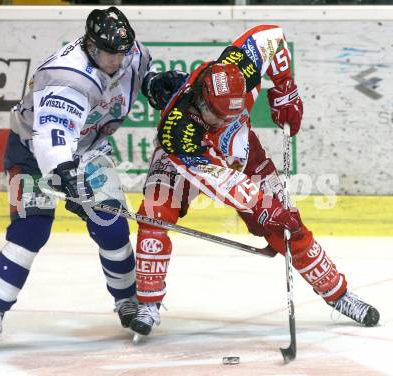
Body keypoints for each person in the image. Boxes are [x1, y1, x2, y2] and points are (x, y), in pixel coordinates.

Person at [129, 25, 380, 336]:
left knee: (287, 226)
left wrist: (284, 89)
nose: (218, 121)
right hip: (186, 162)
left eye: (226, 116)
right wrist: (260, 206)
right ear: (200, 98)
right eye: (213, 114)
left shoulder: (239, 64)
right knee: (154, 214)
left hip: (242, 150)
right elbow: (218, 180)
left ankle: (338, 294)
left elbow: (270, 37)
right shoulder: (178, 129)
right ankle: (148, 304)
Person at [0, 7, 187, 347]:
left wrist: (152, 82)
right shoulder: (67, 77)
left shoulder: (129, 51)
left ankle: (126, 300)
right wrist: (65, 174)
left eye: (121, 53)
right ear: (90, 46)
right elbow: (50, 137)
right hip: (30, 152)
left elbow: (140, 71)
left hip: (89, 149)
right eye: (107, 54)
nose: (116, 60)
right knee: (31, 230)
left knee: (112, 226)